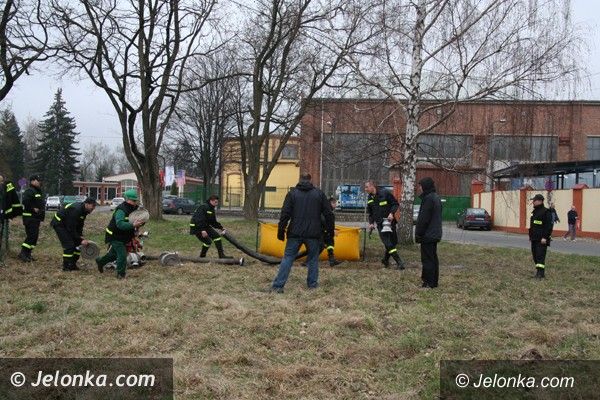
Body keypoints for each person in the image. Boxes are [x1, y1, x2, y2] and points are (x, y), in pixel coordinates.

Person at [271, 173, 333, 293]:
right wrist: (329, 232)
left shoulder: (292, 194)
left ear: (300, 179)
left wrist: (281, 230)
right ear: (310, 180)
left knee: (288, 258)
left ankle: (278, 286)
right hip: (313, 233)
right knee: (313, 259)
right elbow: (328, 214)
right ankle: (312, 285)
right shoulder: (319, 194)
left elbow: (285, 214)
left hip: (295, 232)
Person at [95, 189, 144, 279]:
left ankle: (100, 261)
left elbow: (136, 220)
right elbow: (120, 224)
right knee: (122, 255)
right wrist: (133, 225)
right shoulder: (121, 210)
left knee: (113, 255)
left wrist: (140, 223)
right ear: (127, 199)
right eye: (133, 200)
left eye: (135, 200)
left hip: (124, 236)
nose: (135, 202)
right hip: (115, 236)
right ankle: (121, 274)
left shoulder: (134, 209)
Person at [364, 180, 405, 269]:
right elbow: (371, 213)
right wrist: (371, 223)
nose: (365, 189)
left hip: (390, 223)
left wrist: (391, 213)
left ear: (372, 186)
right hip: (380, 225)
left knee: (393, 242)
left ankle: (385, 260)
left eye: (366, 187)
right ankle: (399, 262)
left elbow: (395, 204)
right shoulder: (370, 198)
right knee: (388, 243)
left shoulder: (385, 193)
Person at [51, 197, 96, 271]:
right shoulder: (76, 210)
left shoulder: (84, 211)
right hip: (60, 224)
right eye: (93, 206)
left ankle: (72, 264)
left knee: (78, 245)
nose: (94, 208)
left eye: (95, 206)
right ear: (87, 204)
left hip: (68, 224)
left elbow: (79, 224)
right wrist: (80, 240)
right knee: (69, 245)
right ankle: (66, 266)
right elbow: (71, 228)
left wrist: (80, 236)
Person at [415, 177, 443, 289]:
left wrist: (419, 233)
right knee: (433, 258)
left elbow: (423, 219)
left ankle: (428, 283)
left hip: (428, 234)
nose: (419, 188)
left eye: (421, 186)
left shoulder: (428, 199)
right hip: (434, 233)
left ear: (425, 186)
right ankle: (433, 282)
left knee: (427, 259)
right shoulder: (435, 197)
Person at [18, 175, 45, 262]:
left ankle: (28, 254)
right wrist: (33, 209)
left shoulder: (37, 191)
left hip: (35, 218)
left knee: (34, 237)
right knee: (32, 236)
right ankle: (23, 253)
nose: (39, 182)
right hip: (30, 217)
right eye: (38, 180)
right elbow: (25, 201)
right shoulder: (30, 191)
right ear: (32, 181)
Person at [529, 194, 553, 279]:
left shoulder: (546, 212)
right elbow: (533, 225)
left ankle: (540, 274)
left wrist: (545, 237)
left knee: (540, 256)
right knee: (535, 255)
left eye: (534, 200)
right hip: (534, 238)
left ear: (540, 201)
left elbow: (548, 226)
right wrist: (530, 236)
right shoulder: (534, 211)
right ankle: (538, 272)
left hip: (541, 239)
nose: (533, 202)